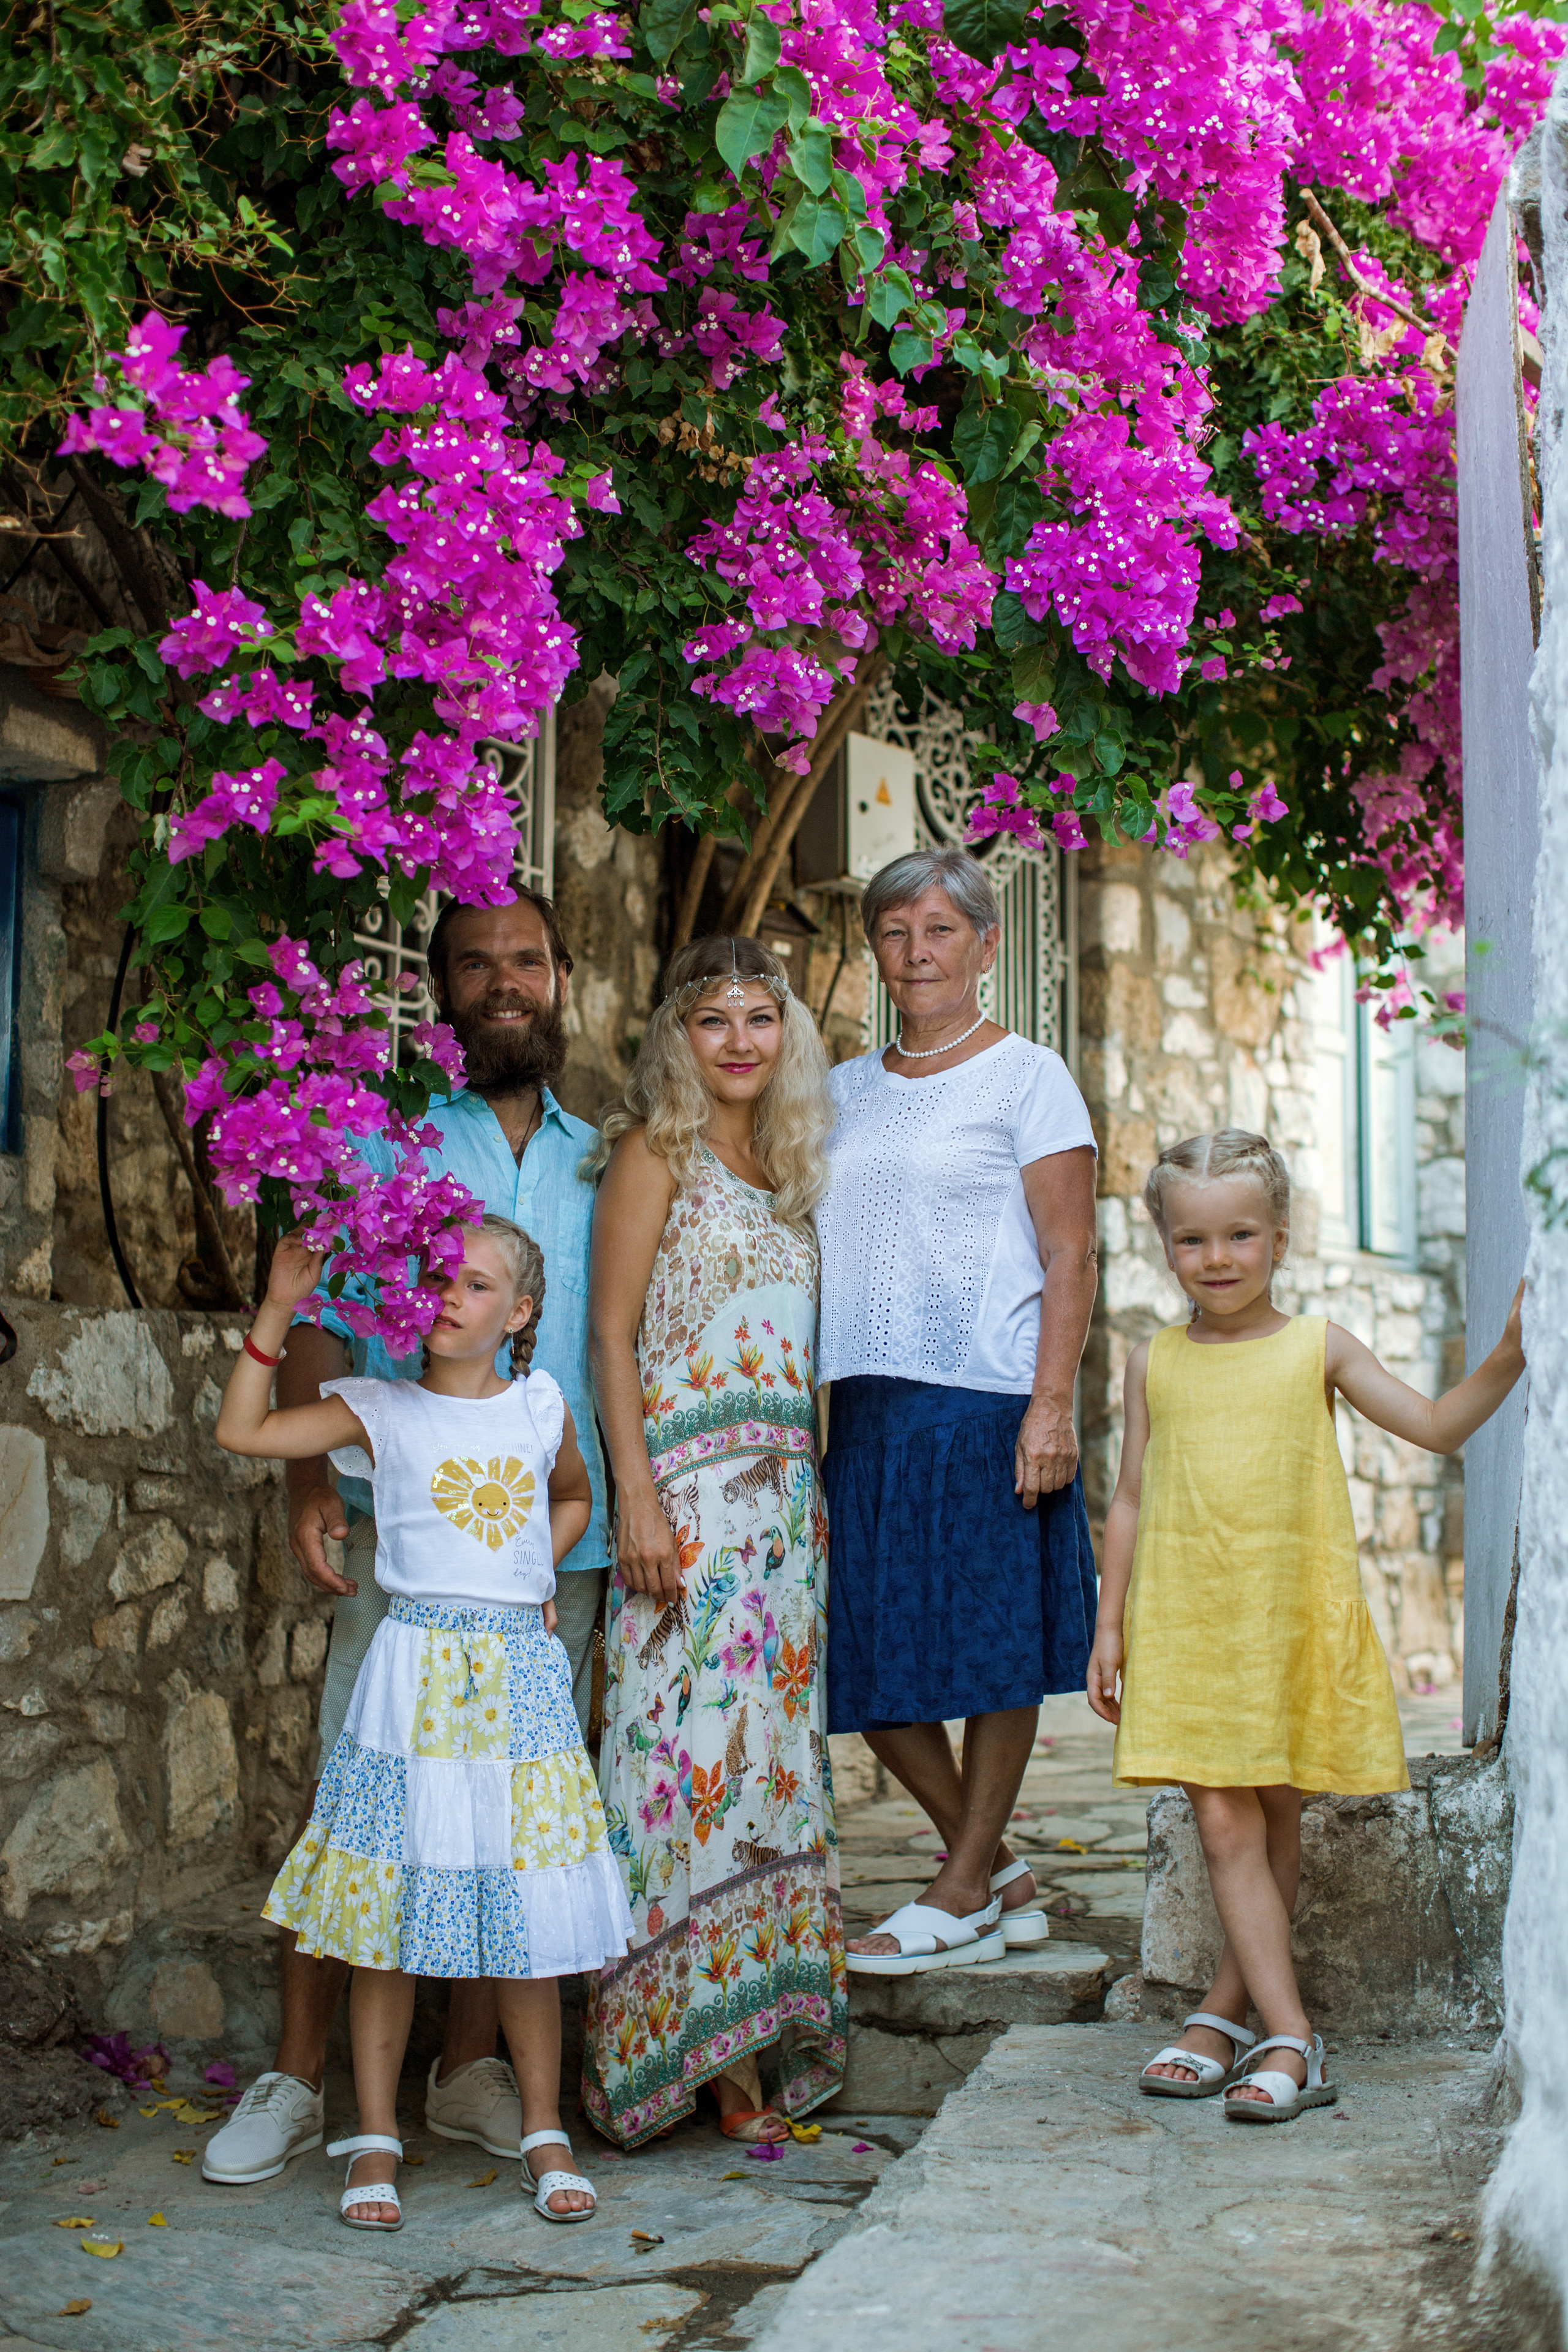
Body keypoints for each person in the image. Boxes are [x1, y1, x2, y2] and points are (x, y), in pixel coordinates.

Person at [203, 891, 611, 2188]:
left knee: (505, 1828)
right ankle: (294, 2074)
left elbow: (607, 1352)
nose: (506, 981)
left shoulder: (602, 1160)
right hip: (404, 1551)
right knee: (359, 1809)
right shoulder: (383, 1140)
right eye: (477, 963)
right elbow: (318, 1315)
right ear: (439, 991)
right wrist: (304, 1487)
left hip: (549, 1577)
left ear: (559, 979)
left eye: (528, 960)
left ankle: (466, 2077)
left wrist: (583, 1531)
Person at [1090, 1128, 1526, 2121]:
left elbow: (1439, 1427)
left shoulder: (1316, 1346)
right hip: (1192, 1624)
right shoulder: (1152, 1361)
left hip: (1282, 1620)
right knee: (1222, 1817)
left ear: (1279, 1239)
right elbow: (1127, 1500)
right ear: (1166, 1249)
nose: (1218, 1259)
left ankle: (1222, 2013)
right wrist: (1110, 1626)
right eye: (1193, 1241)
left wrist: (1510, 1350)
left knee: (1275, 1817)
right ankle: (1296, 2038)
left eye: (1240, 1235)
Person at [215, 1215, 633, 2226]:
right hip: (411, 1690)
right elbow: (245, 1431)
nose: (451, 1297)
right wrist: (279, 1307)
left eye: (480, 1287)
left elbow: (575, 1499)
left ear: (522, 1312)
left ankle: (542, 2129)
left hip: (516, 1689)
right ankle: (375, 2138)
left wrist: (536, 1568)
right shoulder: (379, 1408)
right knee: (386, 1920)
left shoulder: (540, 1408)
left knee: (522, 1914)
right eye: (438, 1279)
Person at [813, 845, 1099, 1974]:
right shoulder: (838, 1090)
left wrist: (1051, 1406)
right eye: (894, 931)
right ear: (874, 950)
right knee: (873, 1662)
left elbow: (1071, 1250)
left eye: (939, 929)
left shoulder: (1028, 1077)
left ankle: (963, 1884)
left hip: (987, 1395)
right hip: (868, 1402)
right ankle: (994, 1867)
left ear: (984, 945)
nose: (916, 951)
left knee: (989, 1653)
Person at [581, 936, 846, 2147]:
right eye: (712, 1020)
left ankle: (746, 2039)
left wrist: (815, 1491)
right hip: (683, 1512)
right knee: (672, 1765)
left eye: (759, 1017)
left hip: (781, 1521)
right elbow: (608, 1333)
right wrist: (634, 1496)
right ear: (676, 1039)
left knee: (765, 1770)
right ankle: (663, 2058)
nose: (739, 1039)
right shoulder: (656, 1153)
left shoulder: (792, 1167)